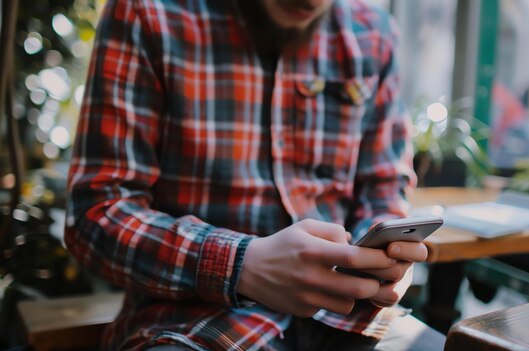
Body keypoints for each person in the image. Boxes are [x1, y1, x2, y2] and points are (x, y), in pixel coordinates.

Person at [64, 0, 446, 349]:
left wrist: (386, 256)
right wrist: (240, 265)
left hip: (353, 320)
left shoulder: (374, 32)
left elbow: (382, 185)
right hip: (194, 325)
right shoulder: (147, 14)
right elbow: (95, 214)